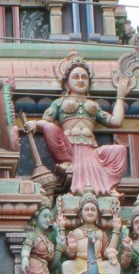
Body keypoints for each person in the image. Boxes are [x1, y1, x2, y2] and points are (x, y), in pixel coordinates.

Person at [27, 57, 131, 196]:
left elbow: (116, 121)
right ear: (66, 84)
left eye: (84, 77)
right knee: (50, 128)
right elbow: (46, 122)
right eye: (76, 77)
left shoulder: (93, 105)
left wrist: (120, 96)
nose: (80, 80)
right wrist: (35, 123)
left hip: (91, 149)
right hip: (68, 149)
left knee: (120, 150)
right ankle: (67, 162)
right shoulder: (59, 103)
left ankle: (105, 185)